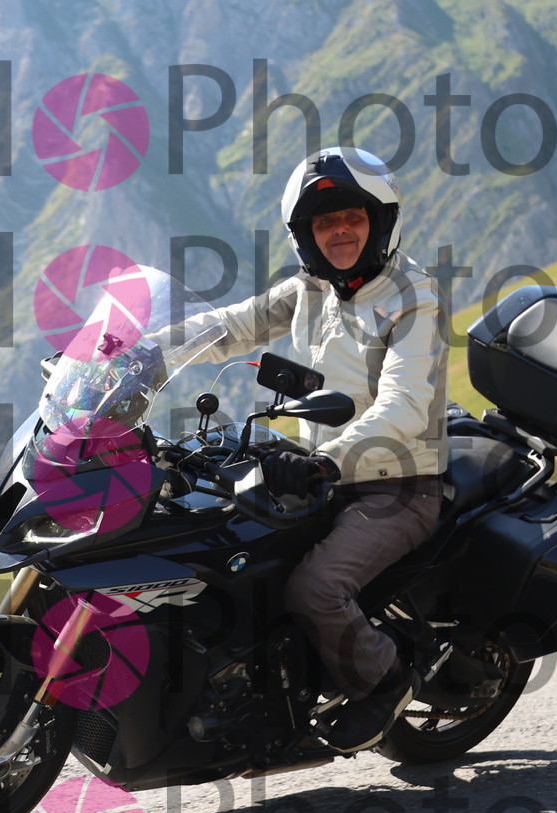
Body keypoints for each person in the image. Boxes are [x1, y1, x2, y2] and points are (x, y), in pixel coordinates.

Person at [185, 147, 450, 752]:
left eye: (352, 216)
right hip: (317, 476)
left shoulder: (414, 296)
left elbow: (405, 404)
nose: (340, 231)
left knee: (315, 589)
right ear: (307, 234)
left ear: (379, 221)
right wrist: (133, 352)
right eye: (325, 222)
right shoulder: (309, 289)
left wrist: (328, 460)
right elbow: (227, 328)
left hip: (396, 486)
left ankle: (384, 682)